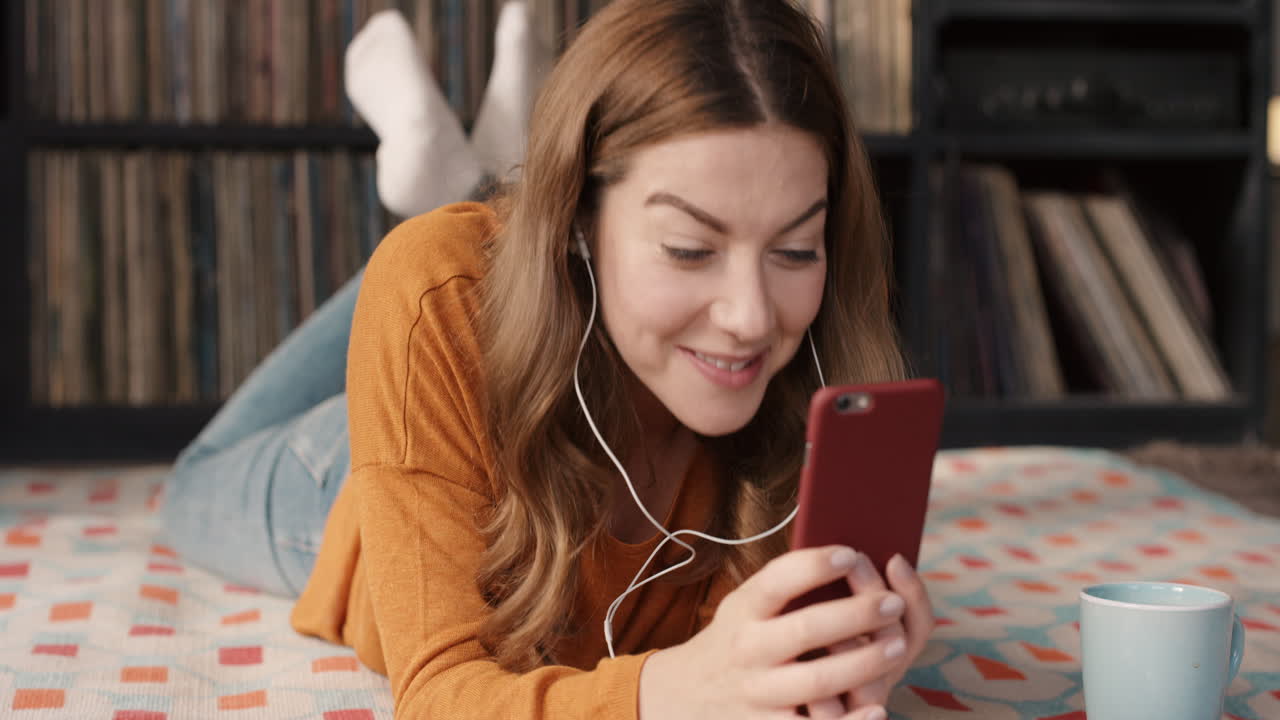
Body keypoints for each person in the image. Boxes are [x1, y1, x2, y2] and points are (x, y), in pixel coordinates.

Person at [159, 1, 934, 718]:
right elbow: (441, 694)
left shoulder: (818, 378)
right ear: (578, 225)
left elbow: (736, 668)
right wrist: (664, 691)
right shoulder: (445, 309)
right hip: (368, 468)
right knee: (196, 481)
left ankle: (493, 176)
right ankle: (481, 192)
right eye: (691, 249)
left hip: (538, 300)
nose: (752, 317)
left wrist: (834, 660)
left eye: (795, 249)